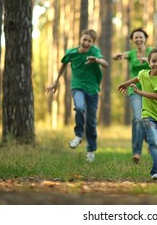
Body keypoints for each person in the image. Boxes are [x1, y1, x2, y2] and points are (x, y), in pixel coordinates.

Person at [46, 29, 109, 162]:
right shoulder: (72, 53)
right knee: (79, 107)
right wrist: (55, 82)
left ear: (93, 43)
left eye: (89, 41)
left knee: (91, 122)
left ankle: (91, 150)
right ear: (80, 39)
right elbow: (63, 65)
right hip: (77, 86)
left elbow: (106, 64)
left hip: (93, 89)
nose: (86, 43)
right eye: (84, 40)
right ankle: (78, 135)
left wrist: (96, 60)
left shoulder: (95, 51)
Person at [118, 48, 157, 180]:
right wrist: (125, 84)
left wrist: (139, 93)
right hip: (148, 114)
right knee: (153, 142)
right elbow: (138, 78)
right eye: (153, 61)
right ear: (149, 62)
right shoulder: (144, 73)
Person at [112, 28, 152, 164]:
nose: (138, 39)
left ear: (145, 38)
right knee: (137, 118)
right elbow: (115, 57)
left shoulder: (152, 52)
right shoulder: (131, 54)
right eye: (136, 37)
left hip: (150, 91)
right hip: (134, 90)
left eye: (141, 37)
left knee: (147, 120)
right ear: (132, 40)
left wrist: (148, 60)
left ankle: (150, 140)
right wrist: (119, 56)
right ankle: (137, 152)